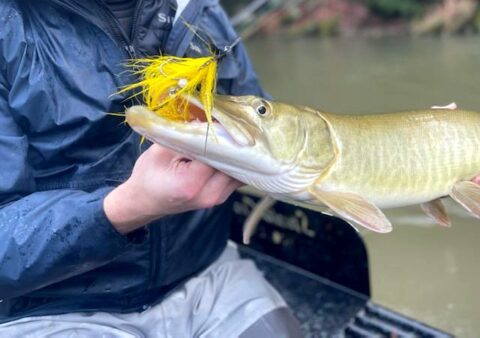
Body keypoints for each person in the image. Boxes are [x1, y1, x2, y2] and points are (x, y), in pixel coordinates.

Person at [0, 0, 302, 336]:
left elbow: (264, 122)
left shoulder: (200, 8)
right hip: (50, 307)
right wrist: (126, 207)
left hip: (208, 273)